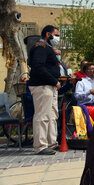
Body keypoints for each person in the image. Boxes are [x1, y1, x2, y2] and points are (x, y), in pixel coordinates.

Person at [28, 25, 61, 155]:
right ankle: (40, 146)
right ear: (48, 34)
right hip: (42, 86)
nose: (57, 38)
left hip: (50, 86)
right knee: (42, 116)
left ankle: (51, 143)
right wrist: (54, 81)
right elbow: (37, 66)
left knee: (52, 115)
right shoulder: (40, 48)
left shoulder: (48, 48)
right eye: (56, 35)